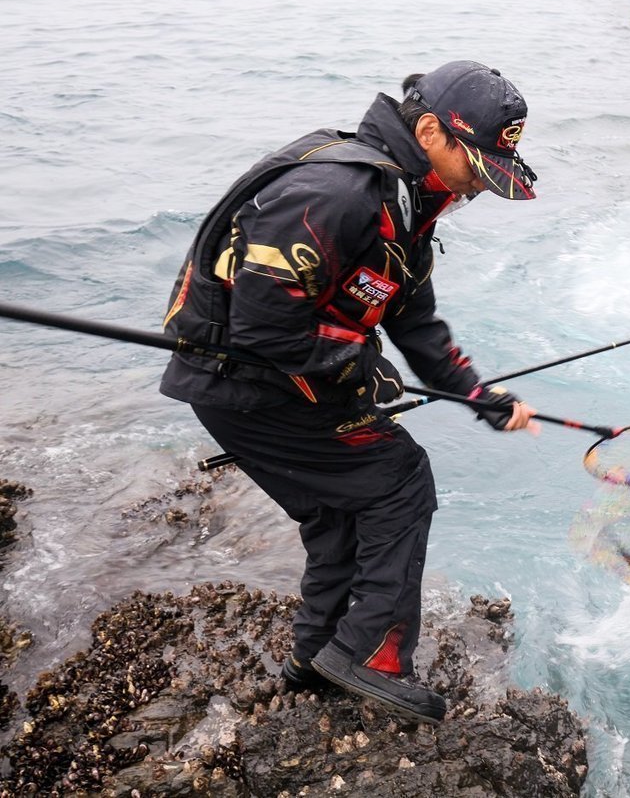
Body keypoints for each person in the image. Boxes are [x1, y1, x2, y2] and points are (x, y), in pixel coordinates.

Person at [158, 60, 538, 723]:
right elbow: (261, 326)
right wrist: (359, 367)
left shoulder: (407, 201)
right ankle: (371, 654)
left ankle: (317, 657)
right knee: (399, 478)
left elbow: (415, 325)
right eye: (477, 166)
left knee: (338, 512)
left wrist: (478, 395)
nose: (481, 184)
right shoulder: (340, 193)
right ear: (430, 131)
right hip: (243, 383)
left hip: (288, 381)